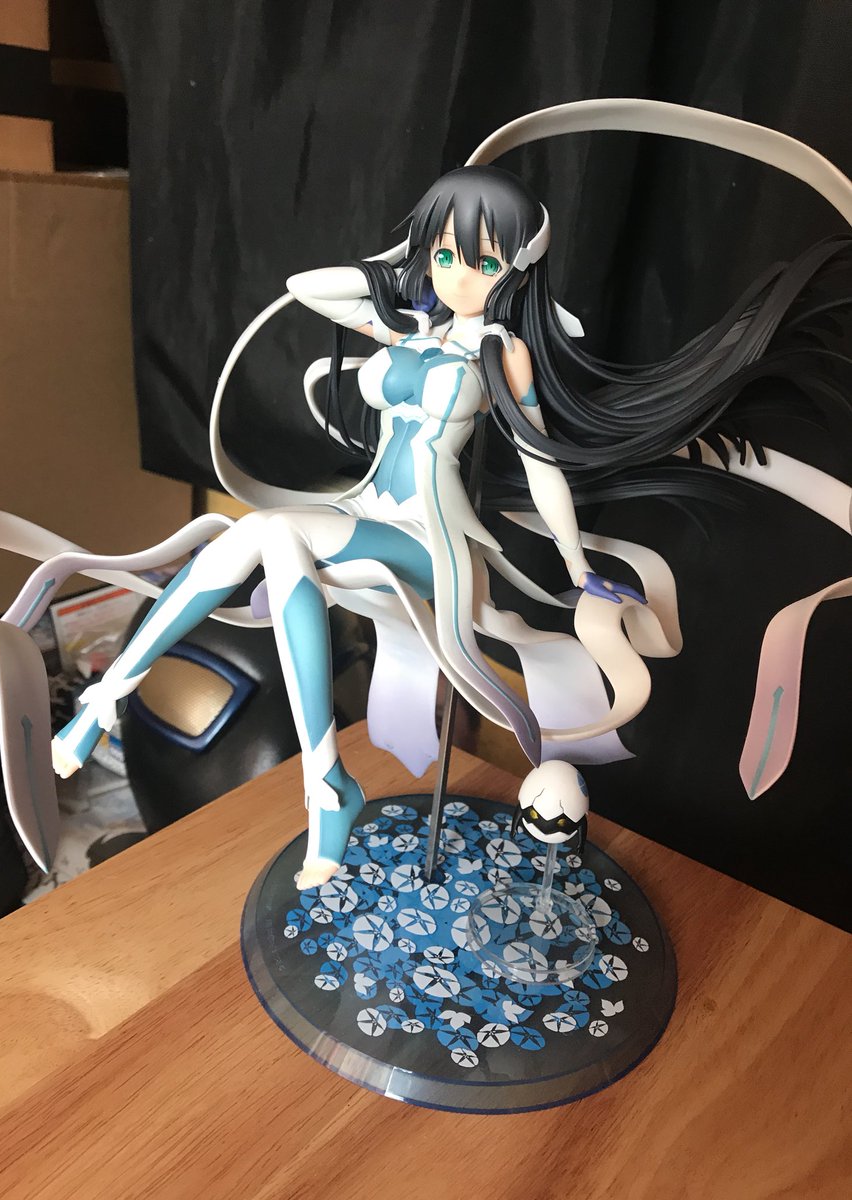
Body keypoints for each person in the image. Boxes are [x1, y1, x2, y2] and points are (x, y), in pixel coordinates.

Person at [43, 160, 850, 891]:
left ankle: (261, 760)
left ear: (516, 269)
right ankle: (142, 711)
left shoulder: (504, 355)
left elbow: (542, 464)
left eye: (484, 262)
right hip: (365, 509)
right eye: (445, 254)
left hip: (432, 540)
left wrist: (576, 568)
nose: (460, 275)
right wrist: (403, 268)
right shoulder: (407, 331)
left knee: (275, 536)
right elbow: (305, 285)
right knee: (251, 534)